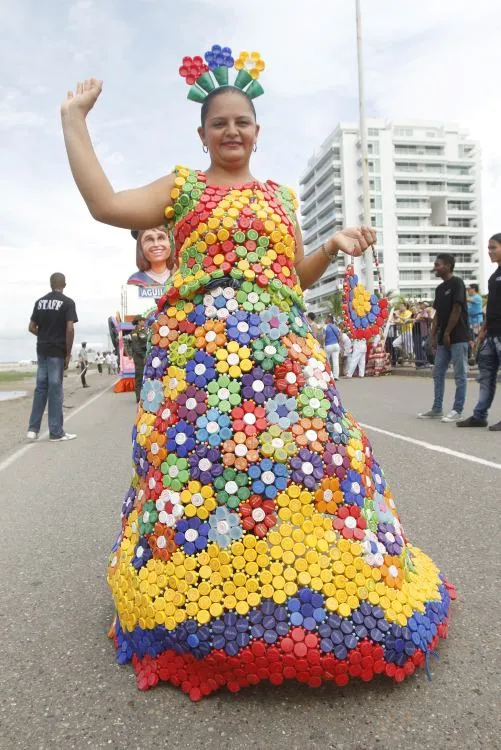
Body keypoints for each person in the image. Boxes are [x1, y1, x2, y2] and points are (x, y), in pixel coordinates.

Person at [61, 65, 453, 698]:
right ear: (202, 133)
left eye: (242, 121)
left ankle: (315, 595)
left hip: (286, 360)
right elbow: (106, 205)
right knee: (206, 483)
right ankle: (207, 605)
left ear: (257, 130)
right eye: (220, 123)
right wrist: (74, 122)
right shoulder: (183, 189)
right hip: (204, 370)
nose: (232, 130)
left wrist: (333, 245)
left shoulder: (280, 197)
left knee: (309, 472)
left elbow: (292, 274)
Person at [26, 272, 77, 442]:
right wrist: (67, 355)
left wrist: (45, 335)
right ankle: (56, 432)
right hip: (56, 351)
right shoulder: (68, 303)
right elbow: (69, 329)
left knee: (41, 388)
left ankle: (33, 429)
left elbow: (31, 327)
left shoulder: (39, 302)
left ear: (50, 284)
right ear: (64, 284)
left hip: (41, 349)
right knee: (55, 389)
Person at [418, 254, 469, 422]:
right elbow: (438, 315)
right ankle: (437, 408)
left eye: (438, 264)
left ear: (448, 265)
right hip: (443, 339)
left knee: (460, 374)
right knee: (438, 372)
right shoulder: (440, 289)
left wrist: (447, 333)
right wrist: (433, 336)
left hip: (458, 336)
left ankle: (457, 409)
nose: (435, 267)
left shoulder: (457, 283)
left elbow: (457, 309)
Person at [458, 234, 501, 430]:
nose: (490, 252)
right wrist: (482, 332)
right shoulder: (494, 276)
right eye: (489, 248)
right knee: (486, 376)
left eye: (493, 247)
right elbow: (491, 307)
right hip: (491, 334)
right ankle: (479, 415)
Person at [128, 317, 148, 403]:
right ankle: (138, 397)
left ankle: (146, 396)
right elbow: (136, 347)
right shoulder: (135, 333)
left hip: (145, 355)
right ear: (139, 322)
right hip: (139, 357)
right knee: (139, 376)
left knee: (147, 376)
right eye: (143, 321)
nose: (144, 322)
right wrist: (144, 356)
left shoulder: (145, 331)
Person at [324, 314, 340, 378]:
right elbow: (339, 336)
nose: (325, 320)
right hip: (336, 345)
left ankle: (329, 376)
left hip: (328, 345)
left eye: (326, 319)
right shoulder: (335, 327)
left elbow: (323, 337)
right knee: (335, 361)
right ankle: (336, 376)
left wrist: (323, 344)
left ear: (328, 320)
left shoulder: (325, 327)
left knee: (327, 361)